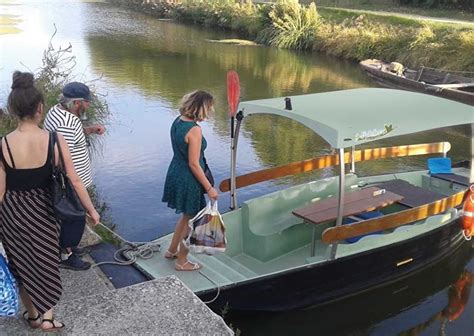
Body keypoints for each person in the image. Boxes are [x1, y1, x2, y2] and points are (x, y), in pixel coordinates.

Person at [0, 71, 100, 331]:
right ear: (40, 108)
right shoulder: (54, 140)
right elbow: (75, 180)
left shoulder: (3, 145)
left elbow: (0, 192)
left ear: (12, 109)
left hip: (12, 213)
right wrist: (91, 210)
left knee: (20, 263)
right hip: (43, 210)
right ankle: (48, 317)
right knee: (45, 260)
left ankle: (32, 316)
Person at [43, 81, 105, 270]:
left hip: (70, 180)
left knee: (71, 217)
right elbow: (63, 158)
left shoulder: (58, 111)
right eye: (87, 102)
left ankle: (70, 246)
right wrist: (92, 209)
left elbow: (68, 138)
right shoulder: (66, 123)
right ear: (77, 103)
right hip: (70, 181)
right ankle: (66, 256)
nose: (89, 105)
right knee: (74, 217)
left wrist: (90, 129)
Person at [162, 90, 218, 271]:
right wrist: (209, 188)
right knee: (194, 221)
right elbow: (194, 164)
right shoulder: (194, 130)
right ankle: (182, 261)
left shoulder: (178, 121)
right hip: (189, 178)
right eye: (209, 108)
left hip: (176, 172)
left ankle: (171, 251)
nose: (211, 111)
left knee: (186, 216)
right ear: (201, 108)